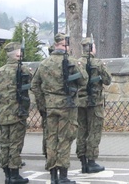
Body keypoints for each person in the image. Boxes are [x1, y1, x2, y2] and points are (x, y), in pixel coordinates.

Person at [32, 32, 88, 184]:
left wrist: (43, 103)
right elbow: (83, 80)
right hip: (67, 106)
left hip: (51, 106)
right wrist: (80, 67)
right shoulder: (71, 61)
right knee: (65, 139)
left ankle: (52, 175)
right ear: (64, 45)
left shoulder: (44, 63)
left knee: (51, 139)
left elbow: (34, 85)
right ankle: (63, 176)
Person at [0, 41, 33, 184]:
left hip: (3, 114)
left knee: (4, 144)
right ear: (17, 54)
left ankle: (7, 173)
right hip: (17, 113)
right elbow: (32, 85)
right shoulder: (23, 70)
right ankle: (14, 175)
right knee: (15, 144)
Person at [76, 37, 111, 174]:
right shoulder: (98, 63)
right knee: (94, 131)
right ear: (92, 48)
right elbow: (108, 80)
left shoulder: (76, 63)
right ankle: (91, 161)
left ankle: (83, 161)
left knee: (82, 131)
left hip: (80, 102)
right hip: (95, 102)